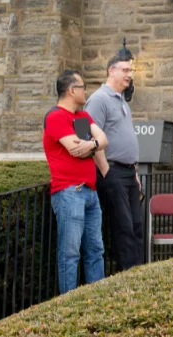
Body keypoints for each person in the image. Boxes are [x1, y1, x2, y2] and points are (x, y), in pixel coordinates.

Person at [43, 69, 109, 294]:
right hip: (69, 192)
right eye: (83, 87)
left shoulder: (82, 117)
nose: (86, 92)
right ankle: (68, 306)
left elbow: (102, 139)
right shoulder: (56, 117)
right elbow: (75, 150)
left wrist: (91, 144)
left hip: (90, 193)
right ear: (72, 90)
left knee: (96, 250)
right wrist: (93, 144)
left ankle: (97, 301)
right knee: (70, 253)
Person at [84, 43, 145, 271]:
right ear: (111, 70)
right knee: (124, 228)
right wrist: (106, 171)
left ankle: (138, 274)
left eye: (131, 71)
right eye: (125, 70)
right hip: (113, 172)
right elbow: (91, 138)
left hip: (128, 173)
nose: (129, 75)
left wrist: (135, 172)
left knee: (137, 225)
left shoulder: (121, 101)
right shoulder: (99, 99)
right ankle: (127, 280)